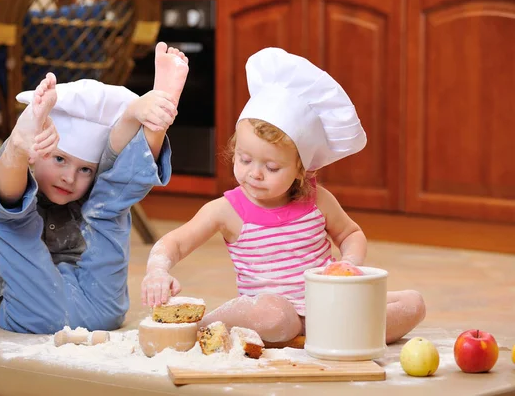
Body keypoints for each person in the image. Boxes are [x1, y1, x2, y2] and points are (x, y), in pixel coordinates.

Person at [140, 47, 425, 345]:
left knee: (412, 303)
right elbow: (176, 242)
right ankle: (204, 326)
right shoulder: (227, 210)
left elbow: (350, 233)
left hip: (327, 308)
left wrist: (348, 264)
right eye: (244, 159)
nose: (255, 173)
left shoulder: (318, 201)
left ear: (301, 170)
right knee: (276, 315)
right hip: (270, 314)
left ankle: (325, 333)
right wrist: (158, 271)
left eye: (272, 166)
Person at [0, 42, 189, 334]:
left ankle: (156, 119)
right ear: (39, 148)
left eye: (84, 169)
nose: (69, 177)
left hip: (86, 283)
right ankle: (17, 145)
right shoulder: (24, 165)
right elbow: (7, 201)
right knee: (13, 218)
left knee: (111, 203)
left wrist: (134, 117)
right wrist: (19, 149)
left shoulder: (94, 181)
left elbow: (115, 168)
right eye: (60, 159)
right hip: (25, 287)